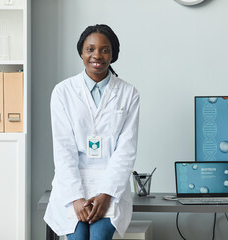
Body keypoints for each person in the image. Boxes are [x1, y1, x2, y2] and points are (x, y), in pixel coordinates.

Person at [44, 24, 140, 240]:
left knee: (98, 236)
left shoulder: (129, 93)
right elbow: (63, 148)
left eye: (105, 50)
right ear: (81, 52)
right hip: (71, 184)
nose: (97, 55)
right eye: (90, 49)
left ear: (113, 54)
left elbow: (126, 150)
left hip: (110, 187)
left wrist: (106, 195)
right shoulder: (63, 92)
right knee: (78, 237)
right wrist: (76, 198)